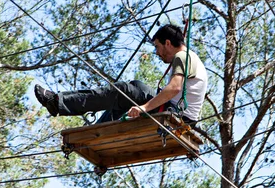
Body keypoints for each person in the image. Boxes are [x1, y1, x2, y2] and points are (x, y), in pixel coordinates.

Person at [34, 24, 207, 123]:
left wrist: (144, 107)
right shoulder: (190, 57)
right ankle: (100, 127)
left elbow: (174, 88)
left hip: (177, 115)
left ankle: (58, 102)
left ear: (168, 43)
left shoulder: (183, 57)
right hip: (176, 111)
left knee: (123, 91)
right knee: (136, 86)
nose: (157, 52)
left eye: (157, 47)